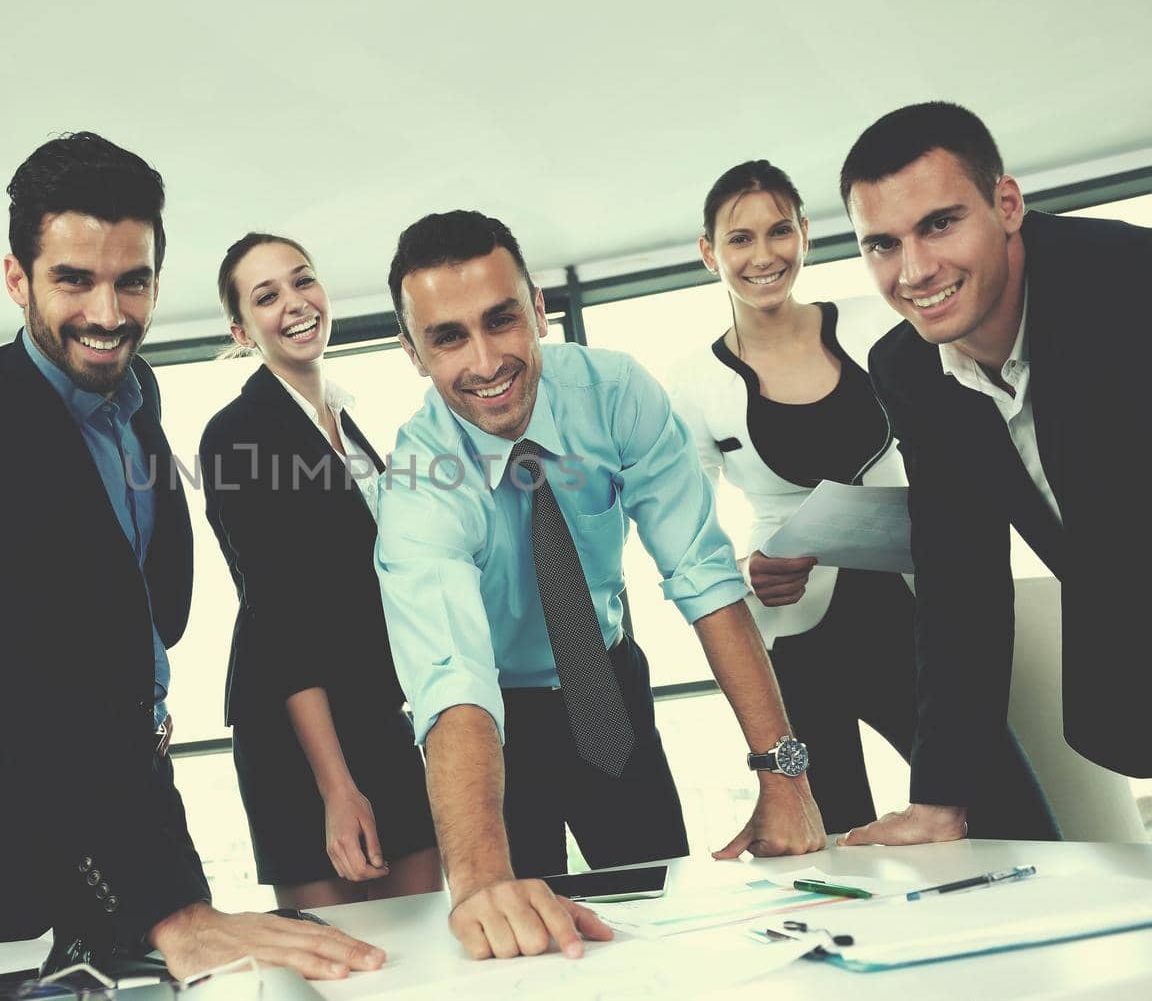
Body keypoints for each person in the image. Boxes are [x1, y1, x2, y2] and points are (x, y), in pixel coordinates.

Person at [0, 133, 383, 982]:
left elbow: (138, 597)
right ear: (17, 279)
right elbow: (33, 697)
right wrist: (170, 910)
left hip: (131, 789)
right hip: (26, 847)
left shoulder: (135, 393)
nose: (108, 314)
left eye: (131, 281)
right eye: (73, 280)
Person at [373, 209, 825, 962]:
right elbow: (452, 675)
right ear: (413, 353)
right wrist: (481, 880)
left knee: (661, 919)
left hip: (604, 686)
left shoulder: (614, 392)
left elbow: (703, 574)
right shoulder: (420, 480)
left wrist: (785, 773)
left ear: (539, 311)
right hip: (496, 725)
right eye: (448, 337)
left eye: (500, 319)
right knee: (516, 946)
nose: (486, 361)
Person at [668, 160, 1058, 841]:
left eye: (779, 231)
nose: (764, 255)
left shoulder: (878, 323)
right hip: (793, 635)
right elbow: (687, 537)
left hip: (913, 611)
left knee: (1007, 809)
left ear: (806, 234)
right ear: (709, 252)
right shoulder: (695, 382)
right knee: (831, 840)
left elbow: (958, 438)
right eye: (740, 239)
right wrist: (746, 568)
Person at [837, 101, 1151, 847]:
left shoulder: (1129, 282)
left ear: (1006, 205)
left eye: (940, 224)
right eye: (883, 243)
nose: (914, 271)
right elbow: (959, 577)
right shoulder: (907, 367)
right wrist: (940, 797)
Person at [199, 233, 441, 910]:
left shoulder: (347, 423)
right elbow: (279, 613)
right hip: (297, 733)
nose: (295, 303)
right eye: (267, 295)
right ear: (242, 330)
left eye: (303, 281)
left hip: (375, 713)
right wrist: (336, 786)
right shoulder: (237, 433)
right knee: (339, 968)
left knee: (426, 940)